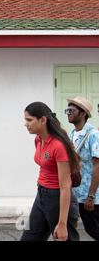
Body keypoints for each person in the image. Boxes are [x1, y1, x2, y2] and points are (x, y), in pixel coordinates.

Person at [20, 101, 80, 241]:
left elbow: (65, 187)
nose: (25, 123)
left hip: (58, 198)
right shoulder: (38, 140)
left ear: (43, 120)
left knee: (62, 237)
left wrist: (62, 224)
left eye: (29, 120)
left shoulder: (58, 146)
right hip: (41, 195)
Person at [65, 97, 99, 240]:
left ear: (83, 113)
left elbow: (98, 165)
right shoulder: (72, 134)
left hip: (92, 196)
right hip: (77, 193)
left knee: (94, 229)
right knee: (90, 228)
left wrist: (91, 196)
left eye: (72, 110)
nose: (68, 113)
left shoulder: (93, 135)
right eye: (67, 110)